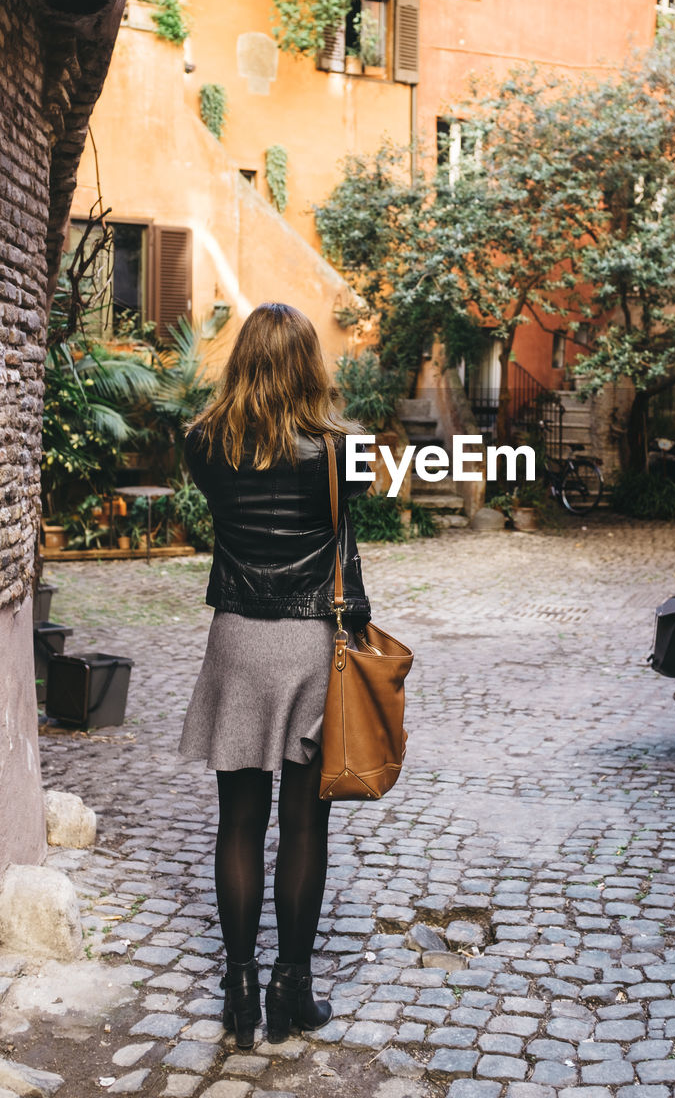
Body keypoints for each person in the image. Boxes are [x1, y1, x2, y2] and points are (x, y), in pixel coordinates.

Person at [178, 302, 371, 1050]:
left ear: (241, 361)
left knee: (237, 821)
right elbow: (352, 509)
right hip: (309, 644)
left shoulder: (201, 442)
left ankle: (239, 990)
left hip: (235, 638)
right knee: (304, 822)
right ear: (309, 365)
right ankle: (294, 987)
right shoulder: (339, 449)